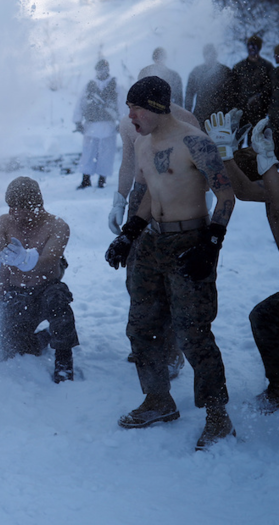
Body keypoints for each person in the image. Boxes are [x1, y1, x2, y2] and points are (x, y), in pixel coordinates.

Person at [105, 76, 236, 451]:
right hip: (153, 241)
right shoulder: (143, 143)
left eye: (136, 108)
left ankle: (217, 417)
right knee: (141, 327)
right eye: (129, 108)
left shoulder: (194, 141)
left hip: (191, 241)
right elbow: (151, 193)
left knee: (194, 333)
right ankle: (157, 400)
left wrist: (211, 245)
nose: (130, 116)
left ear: (157, 107)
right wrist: (130, 232)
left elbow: (226, 197)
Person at [108, 102, 201, 379]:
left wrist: (200, 204)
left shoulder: (185, 120)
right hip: (141, 195)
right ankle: (148, 341)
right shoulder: (129, 123)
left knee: (170, 278)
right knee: (136, 272)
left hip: (176, 197)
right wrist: (119, 200)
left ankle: (171, 348)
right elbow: (128, 161)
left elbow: (197, 166)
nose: (134, 111)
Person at [208, 113, 279, 413]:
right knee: (264, 318)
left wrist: (267, 161)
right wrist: (225, 155)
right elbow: (245, 191)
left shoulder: (274, 178)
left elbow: (277, 203)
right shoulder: (272, 178)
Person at [0, 176, 79, 382]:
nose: (11, 212)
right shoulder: (5, 222)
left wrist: (26, 258)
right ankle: (44, 338)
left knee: (58, 300)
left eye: (16, 207)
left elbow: (50, 261)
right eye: (9, 207)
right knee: (11, 347)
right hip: (16, 291)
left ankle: (64, 359)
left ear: (34, 205)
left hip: (46, 288)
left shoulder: (57, 226)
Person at [73, 59, 126, 189]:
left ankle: (102, 179)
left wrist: (122, 122)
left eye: (104, 69)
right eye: (99, 69)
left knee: (106, 154)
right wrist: (78, 121)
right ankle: (86, 179)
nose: (102, 71)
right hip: (91, 125)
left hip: (108, 125)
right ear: (96, 70)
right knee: (88, 153)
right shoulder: (89, 86)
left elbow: (122, 105)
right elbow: (81, 103)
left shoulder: (116, 86)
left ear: (108, 70)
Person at [229, 35, 274, 140]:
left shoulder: (267, 67)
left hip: (259, 113)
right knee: (236, 143)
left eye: (254, 46)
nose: (251, 48)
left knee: (255, 144)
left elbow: (271, 88)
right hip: (240, 112)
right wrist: (234, 106)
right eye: (249, 45)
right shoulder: (239, 67)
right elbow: (231, 89)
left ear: (259, 48)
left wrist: (259, 97)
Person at [185, 44, 233, 129]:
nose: (209, 56)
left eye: (212, 53)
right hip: (200, 116)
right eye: (207, 54)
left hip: (219, 117)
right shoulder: (196, 71)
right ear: (204, 55)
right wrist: (188, 113)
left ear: (216, 54)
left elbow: (231, 96)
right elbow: (189, 93)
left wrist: (228, 114)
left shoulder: (225, 71)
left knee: (217, 141)